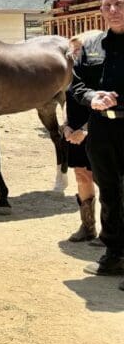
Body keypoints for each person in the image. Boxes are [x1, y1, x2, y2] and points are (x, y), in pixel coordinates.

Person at [72, 0, 124, 284]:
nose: (113, 10)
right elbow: (75, 84)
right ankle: (114, 254)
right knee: (110, 193)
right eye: (107, 5)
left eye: (119, 4)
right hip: (102, 129)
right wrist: (92, 96)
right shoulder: (93, 46)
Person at [63, 31, 103, 242]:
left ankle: (110, 231)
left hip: (99, 135)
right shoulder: (74, 74)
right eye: (73, 50)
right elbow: (66, 103)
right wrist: (66, 126)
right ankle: (88, 227)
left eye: (79, 49)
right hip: (75, 135)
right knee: (81, 177)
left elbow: (104, 109)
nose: (75, 53)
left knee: (106, 181)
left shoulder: (105, 75)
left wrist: (85, 131)